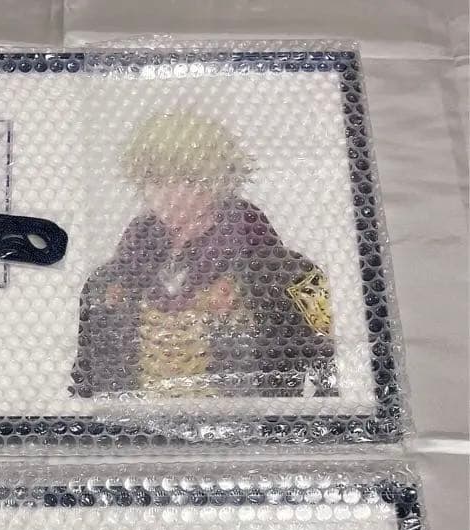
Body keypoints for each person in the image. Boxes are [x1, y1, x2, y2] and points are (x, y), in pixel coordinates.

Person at [71, 113, 338, 400]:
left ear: (220, 181)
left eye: (188, 179)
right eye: (156, 180)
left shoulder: (295, 276)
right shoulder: (106, 282)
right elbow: (86, 384)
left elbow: (336, 375)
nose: (171, 194)